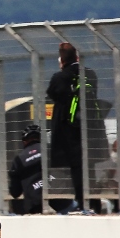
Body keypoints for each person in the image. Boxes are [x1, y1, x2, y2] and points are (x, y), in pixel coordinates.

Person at [46, 43, 102, 212]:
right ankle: (94, 203)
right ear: (77, 57)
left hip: (68, 133)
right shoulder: (90, 74)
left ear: (61, 60)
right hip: (91, 130)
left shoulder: (60, 77)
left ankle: (80, 203)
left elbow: (52, 94)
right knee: (89, 170)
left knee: (73, 171)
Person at [8, 124, 43, 214]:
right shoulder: (50, 150)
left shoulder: (19, 159)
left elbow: (15, 192)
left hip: (35, 206)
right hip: (60, 202)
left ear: (24, 142)